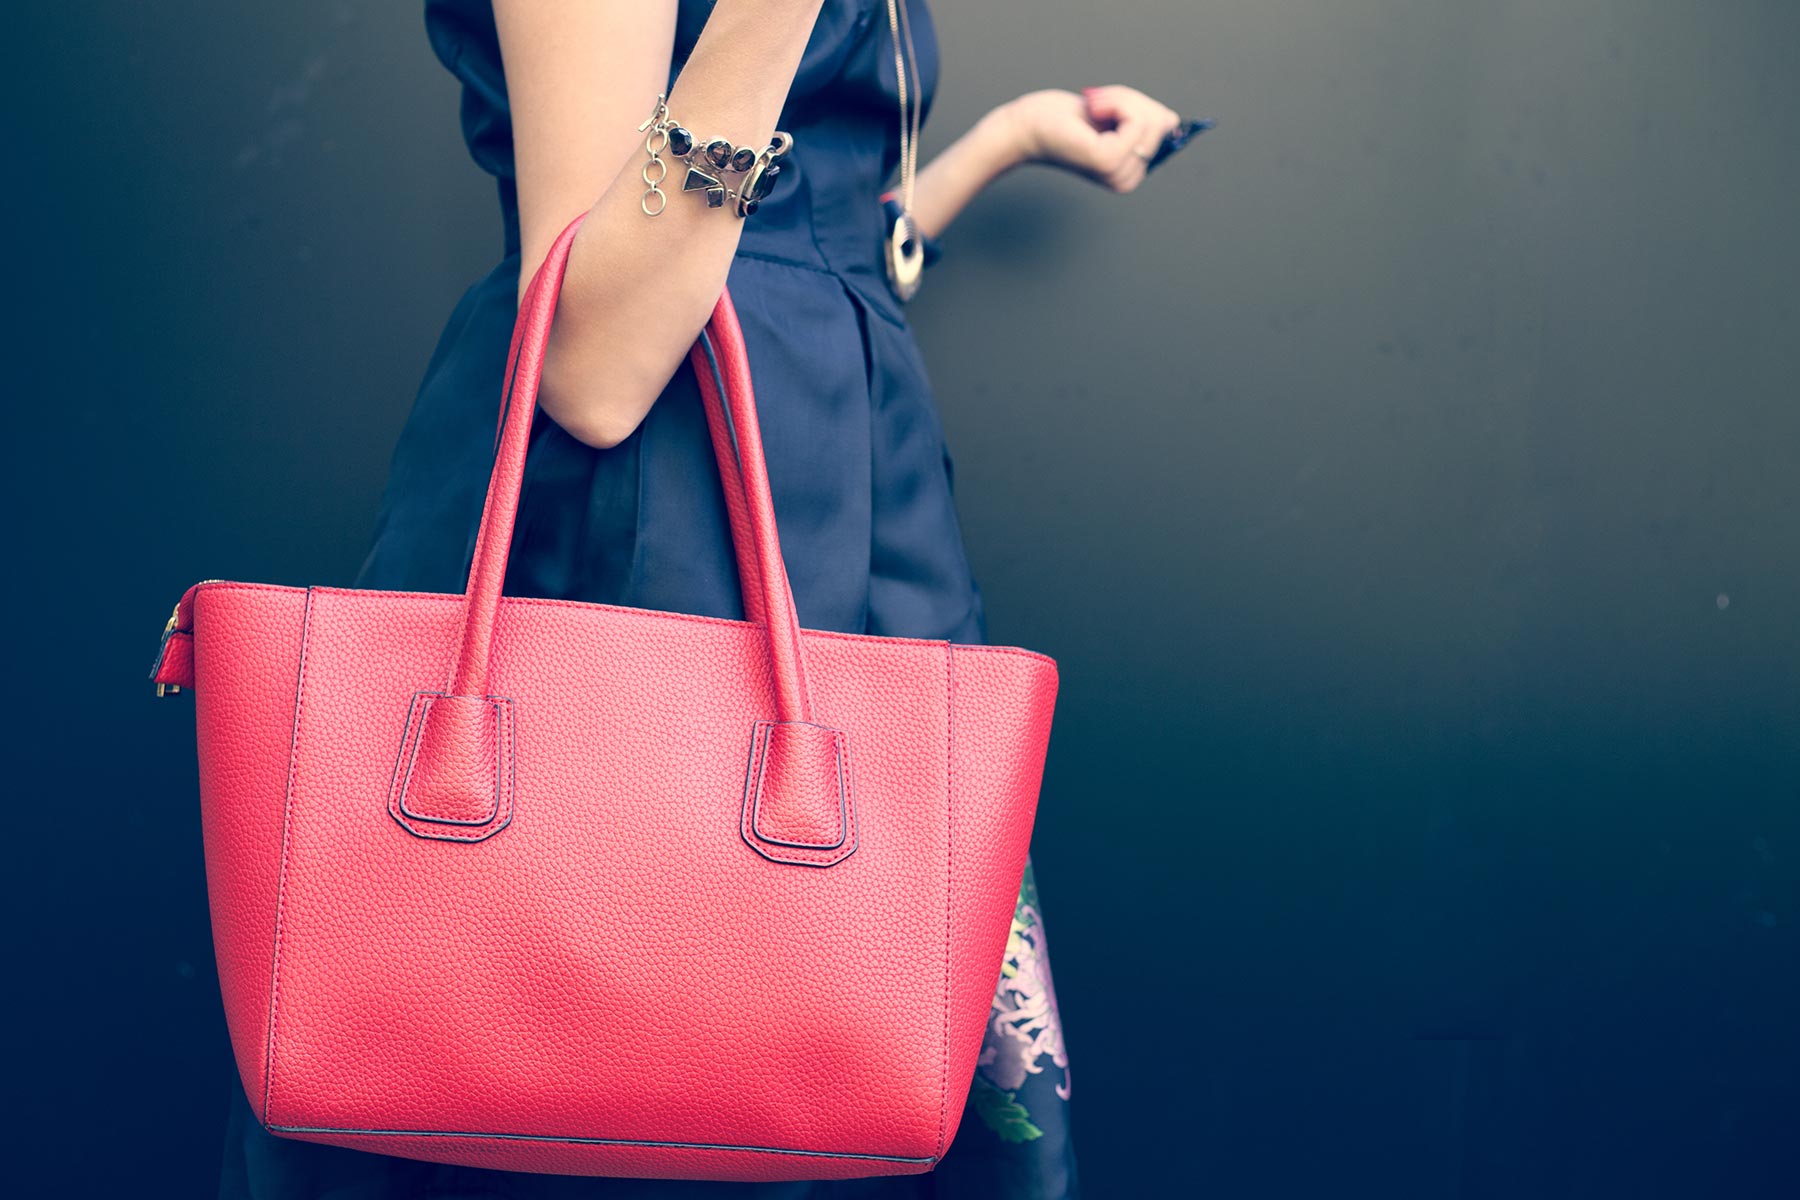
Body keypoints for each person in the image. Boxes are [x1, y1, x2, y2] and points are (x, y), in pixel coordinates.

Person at [220, 1, 1186, 1196]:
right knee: (637, 1042)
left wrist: (1001, 143)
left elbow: (795, 241)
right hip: (648, 523)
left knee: (864, 1033)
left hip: (855, 496)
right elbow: (595, 354)